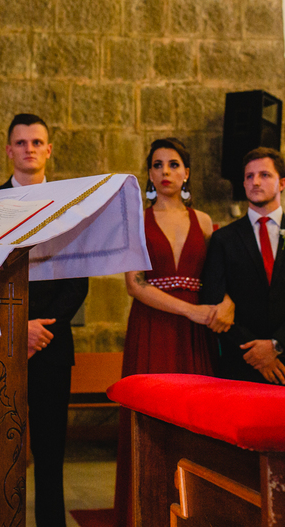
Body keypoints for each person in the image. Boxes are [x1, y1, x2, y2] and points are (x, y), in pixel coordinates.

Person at [113, 138, 218, 526]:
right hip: (153, 329)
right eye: (157, 165)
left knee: (197, 419)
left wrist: (219, 308)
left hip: (196, 335)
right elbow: (135, 285)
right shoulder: (136, 221)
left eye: (174, 164)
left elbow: (218, 278)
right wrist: (191, 311)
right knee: (151, 422)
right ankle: (146, 513)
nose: (166, 172)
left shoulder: (204, 222)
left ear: (186, 172)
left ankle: (196, 512)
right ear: (150, 174)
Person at [0, 113, 88, 527]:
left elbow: (79, 280)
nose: (29, 148)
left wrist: (41, 329)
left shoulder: (68, 204)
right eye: (21, 142)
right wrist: (16, 328)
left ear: (49, 150)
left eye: (37, 142)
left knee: (50, 452)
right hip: (0, 342)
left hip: (51, 343)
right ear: (9, 149)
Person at [201, 147, 285, 389]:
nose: (255, 182)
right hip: (241, 366)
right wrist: (256, 355)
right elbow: (213, 298)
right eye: (249, 176)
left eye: (264, 175)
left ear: (282, 183)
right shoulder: (223, 239)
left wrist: (276, 346)